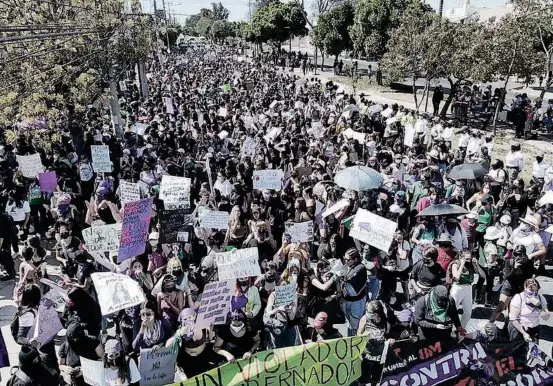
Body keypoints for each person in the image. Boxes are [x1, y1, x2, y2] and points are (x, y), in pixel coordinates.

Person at [340, 248, 367, 336]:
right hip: (346, 300)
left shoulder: (360, 267)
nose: (345, 261)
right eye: (344, 258)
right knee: (349, 323)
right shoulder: (345, 266)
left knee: (355, 323)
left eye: (348, 260)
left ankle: (355, 343)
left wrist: (339, 274)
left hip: (357, 302)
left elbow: (349, 276)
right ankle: (349, 339)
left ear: (355, 259)